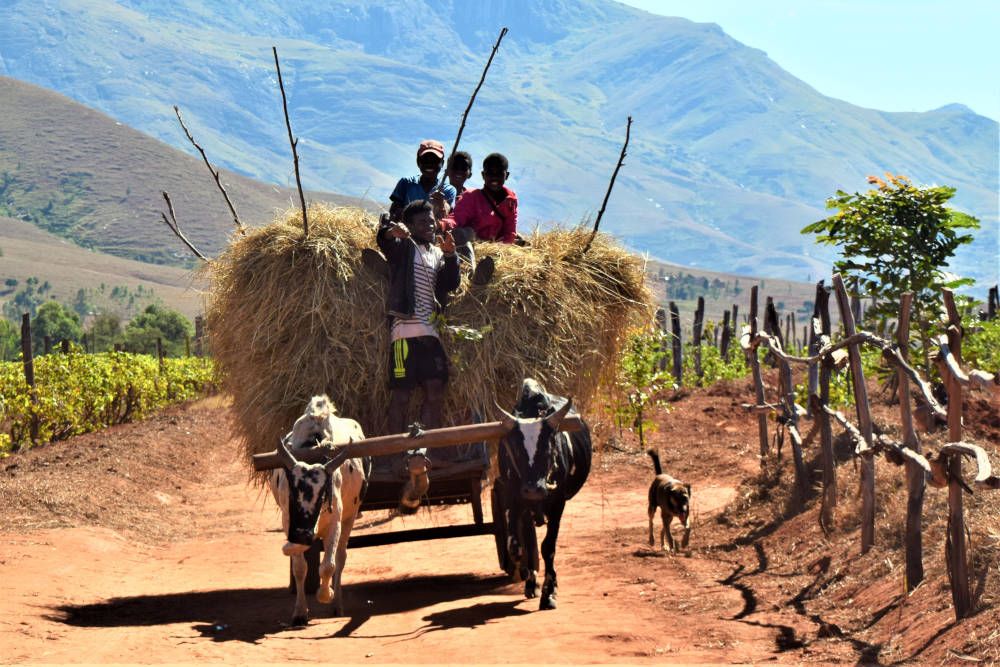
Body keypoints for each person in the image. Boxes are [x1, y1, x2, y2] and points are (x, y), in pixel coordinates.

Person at [376, 199, 460, 436]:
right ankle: (396, 453)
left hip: (431, 334)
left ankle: (427, 450)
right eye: (422, 223)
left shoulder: (437, 254)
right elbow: (384, 241)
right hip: (404, 333)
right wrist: (391, 231)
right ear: (410, 227)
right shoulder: (403, 248)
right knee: (401, 395)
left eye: (431, 221)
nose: (429, 226)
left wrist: (452, 256)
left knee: (435, 390)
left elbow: (451, 283)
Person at [451, 152, 518, 244]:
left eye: (499, 173)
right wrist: (443, 225)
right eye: (490, 173)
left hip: (497, 249)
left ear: (506, 175)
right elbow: (456, 218)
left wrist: (501, 248)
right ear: (483, 175)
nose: (494, 177)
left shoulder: (510, 201)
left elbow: (510, 232)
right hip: (473, 244)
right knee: (464, 232)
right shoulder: (470, 197)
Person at [389, 140, 456, 224]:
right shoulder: (406, 183)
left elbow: (447, 215)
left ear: (442, 163)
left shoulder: (448, 190)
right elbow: (394, 213)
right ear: (418, 162)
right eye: (425, 160)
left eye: (435, 161)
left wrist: (441, 205)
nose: (429, 164)